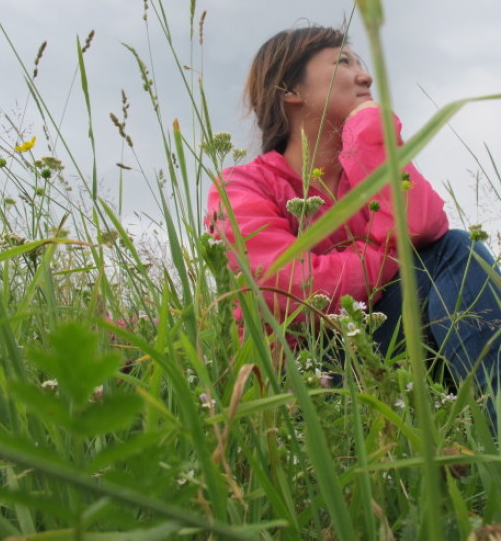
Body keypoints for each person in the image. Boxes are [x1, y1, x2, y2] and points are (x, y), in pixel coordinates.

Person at [206, 26, 501, 402]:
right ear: (291, 91)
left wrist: (367, 133)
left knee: (455, 251)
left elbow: (424, 226)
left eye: (360, 63)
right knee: (451, 255)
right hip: (303, 374)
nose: (365, 75)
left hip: (382, 341)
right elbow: (282, 288)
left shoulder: (364, 170)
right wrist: (387, 251)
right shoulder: (242, 185)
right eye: (343, 63)